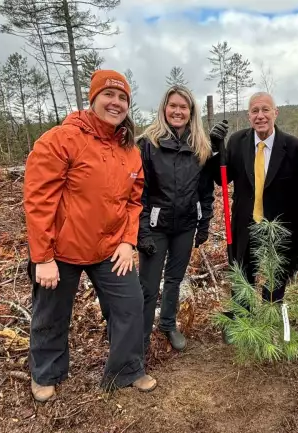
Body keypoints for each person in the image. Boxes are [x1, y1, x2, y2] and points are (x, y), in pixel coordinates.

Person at [23, 69, 156, 401]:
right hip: (62, 250)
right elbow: (39, 200)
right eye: (109, 95)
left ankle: (126, 370)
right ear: (92, 98)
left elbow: (133, 200)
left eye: (123, 98)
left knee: (131, 304)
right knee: (51, 313)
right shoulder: (60, 139)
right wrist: (43, 257)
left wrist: (127, 241)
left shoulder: (129, 150)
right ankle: (46, 373)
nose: (116, 103)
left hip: (110, 247)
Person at [208, 92, 298, 336]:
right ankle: (242, 322)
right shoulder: (237, 142)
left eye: (266, 110)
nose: (260, 115)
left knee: (276, 281)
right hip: (244, 225)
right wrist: (216, 149)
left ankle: (268, 323)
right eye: (255, 111)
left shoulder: (297, 149)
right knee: (241, 274)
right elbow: (221, 178)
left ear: (276, 113)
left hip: (279, 228)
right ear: (248, 116)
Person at [136, 85, 214, 352]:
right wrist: (142, 230)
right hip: (156, 226)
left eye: (183, 107)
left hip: (185, 226)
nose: (178, 111)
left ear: (191, 111)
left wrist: (204, 223)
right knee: (147, 285)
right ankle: (141, 334)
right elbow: (140, 192)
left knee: (174, 278)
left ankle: (168, 324)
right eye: (173, 106)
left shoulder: (200, 146)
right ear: (164, 109)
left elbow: (205, 191)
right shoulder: (148, 144)